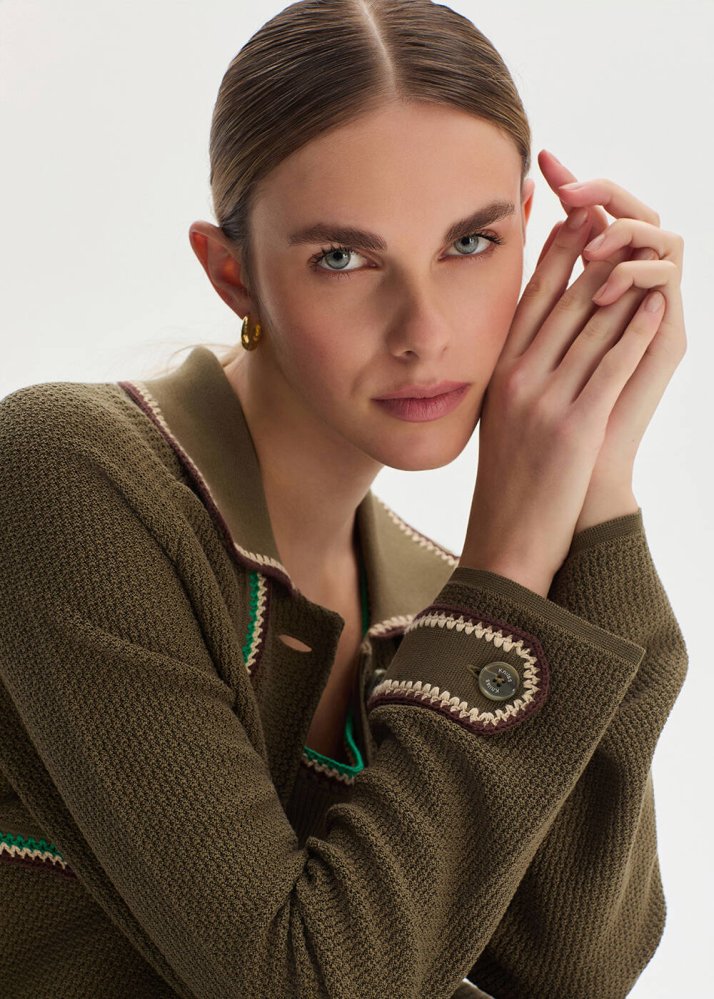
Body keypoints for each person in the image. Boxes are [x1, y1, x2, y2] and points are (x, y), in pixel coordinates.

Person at [0, 1, 688, 996]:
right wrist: (506, 570)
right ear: (233, 275)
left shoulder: (440, 602)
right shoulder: (69, 476)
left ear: (531, 237)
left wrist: (595, 485)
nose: (424, 332)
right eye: (343, 258)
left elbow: (574, 964)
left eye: (470, 243)